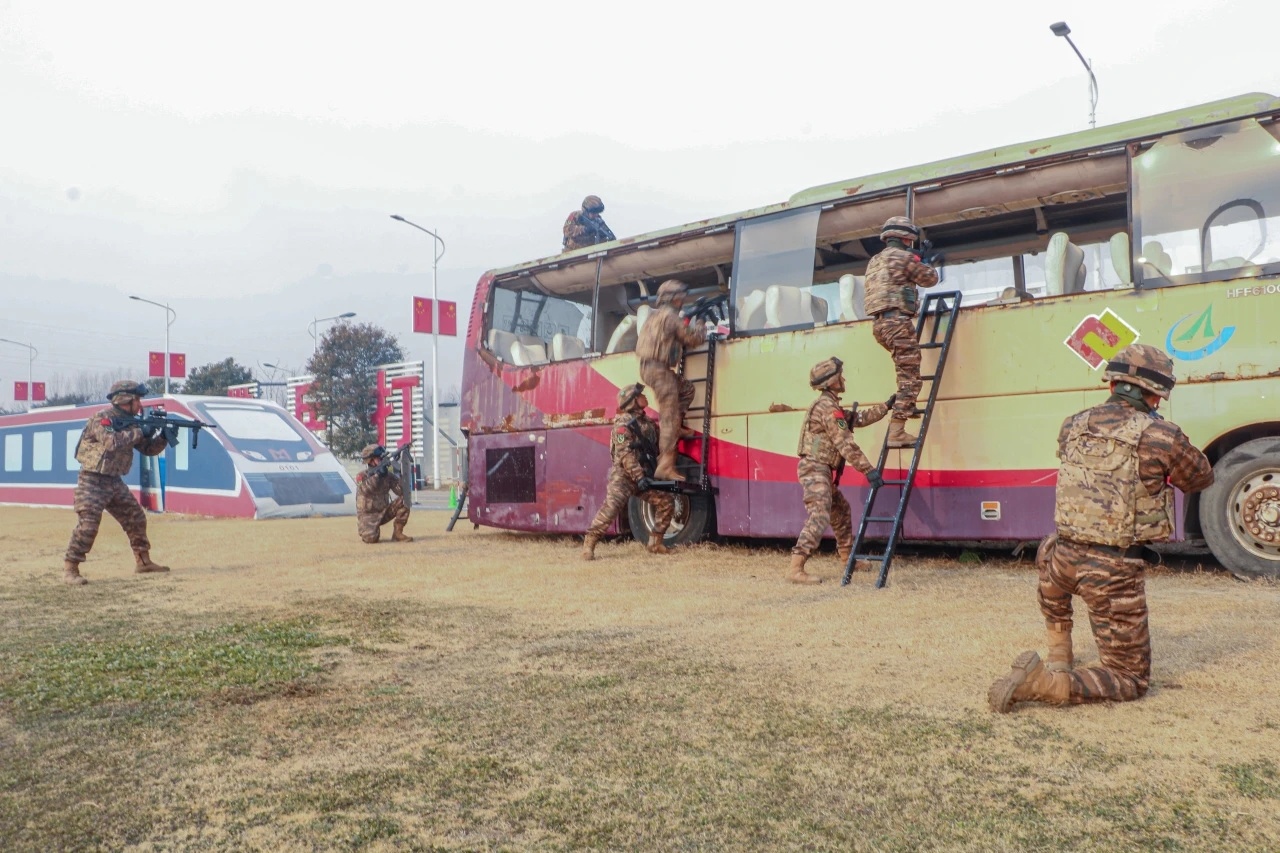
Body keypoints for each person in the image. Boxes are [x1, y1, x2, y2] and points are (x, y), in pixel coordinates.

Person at [988, 344, 1214, 713]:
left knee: (1054, 569)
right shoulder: (1160, 435)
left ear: (1112, 385)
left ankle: (1059, 654)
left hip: (1058, 558)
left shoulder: (1073, 424)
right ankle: (1043, 683)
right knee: (1129, 678)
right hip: (1111, 570)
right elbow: (1200, 478)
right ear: (1155, 395)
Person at [789, 358, 893, 584]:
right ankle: (795, 568)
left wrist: (885, 407)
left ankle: (848, 559)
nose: (844, 379)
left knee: (841, 511)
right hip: (816, 468)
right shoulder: (827, 409)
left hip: (821, 469)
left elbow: (857, 419)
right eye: (841, 376)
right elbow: (844, 442)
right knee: (820, 514)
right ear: (833, 382)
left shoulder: (830, 406)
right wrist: (868, 470)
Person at [62, 380, 171, 585]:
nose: (140, 405)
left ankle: (143, 561)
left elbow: (148, 449)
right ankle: (70, 569)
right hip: (92, 480)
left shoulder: (131, 424)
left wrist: (163, 437)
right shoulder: (102, 419)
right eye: (137, 400)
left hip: (114, 481)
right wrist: (142, 431)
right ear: (124, 400)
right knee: (88, 525)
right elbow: (111, 443)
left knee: (136, 517)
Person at [863, 216, 940, 448]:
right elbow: (930, 279)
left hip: (880, 325)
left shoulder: (874, 260)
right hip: (897, 322)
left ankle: (905, 406)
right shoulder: (904, 257)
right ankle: (897, 429)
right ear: (907, 238)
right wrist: (925, 262)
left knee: (903, 371)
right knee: (911, 378)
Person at [581, 384, 676, 560]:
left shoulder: (648, 423)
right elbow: (624, 453)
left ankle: (655, 543)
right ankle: (589, 545)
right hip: (624, 477)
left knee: (666, 501)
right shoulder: (622, 424)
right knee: (611, 509)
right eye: (640, 395)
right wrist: (639, 477)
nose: (644, 397)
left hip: (644, 476)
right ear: (633, 402)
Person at [636, 279, 706, 481]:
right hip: (658, 369)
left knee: (686, 389)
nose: (682, 301)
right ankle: (665, 466)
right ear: (674, 299)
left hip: (651, 367)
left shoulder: (654, 317)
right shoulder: (671, 317)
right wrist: (700, 322)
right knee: (668, 416)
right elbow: (692, 339)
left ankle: (678, 426)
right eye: (681, 297)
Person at [356, 444, 413, 544]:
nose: (381, 460)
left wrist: (399, 474)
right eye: (378, 458)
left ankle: (397, 534)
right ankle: (371, 530)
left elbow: (400, 491)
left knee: (405, 499)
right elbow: (365, 489)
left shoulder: (387, 475)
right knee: (371, 539)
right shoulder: (361, 476)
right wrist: (378, 476)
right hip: (368, 515)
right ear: (371, 461)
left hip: (384, 511)